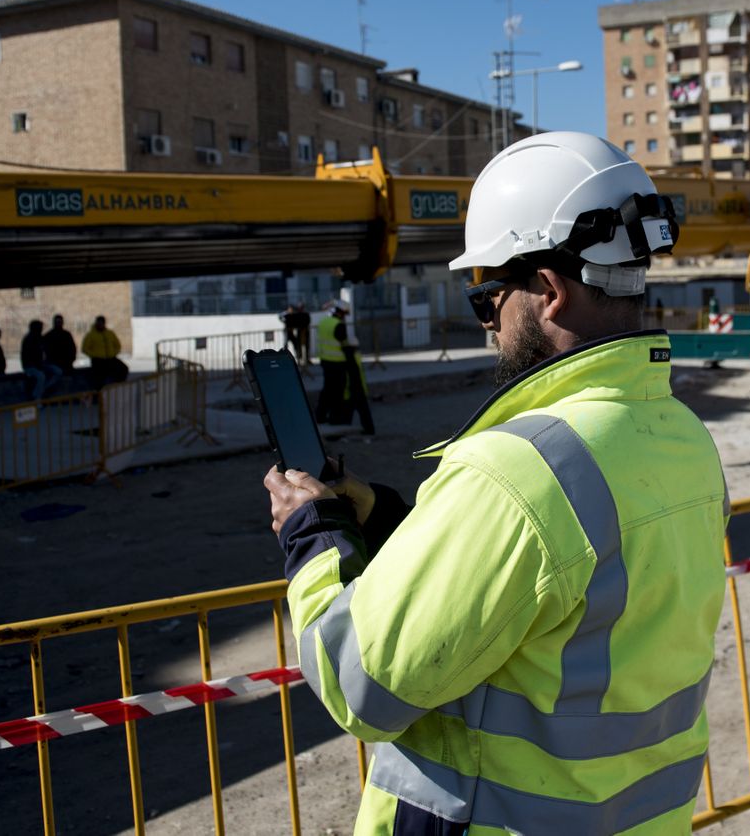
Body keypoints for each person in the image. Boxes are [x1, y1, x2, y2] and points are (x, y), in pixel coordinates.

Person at [264, 132, 726, 834]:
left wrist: (314, 535)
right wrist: (392, 524)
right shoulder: (682, 438)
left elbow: (361, 686)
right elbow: (568, 596)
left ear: (546, 291)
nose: (487, 326)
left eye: (487, 300)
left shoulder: (518, 469)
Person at [313, 299, 373, 435]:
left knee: (326, 390)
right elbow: (344, 344)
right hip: (338, 363)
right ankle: (335, 418)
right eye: (344, 314)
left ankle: (320, 416)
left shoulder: (323, 322)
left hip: (325, 361)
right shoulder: (338, 325)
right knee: (338, 392)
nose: (344, 317)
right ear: (339, 312)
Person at [20, 319, 63, 399]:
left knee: (58, 371)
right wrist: (37, 365)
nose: (41, 329)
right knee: (41, 376)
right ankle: (36, 397)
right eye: (39, 327)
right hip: (30, 366)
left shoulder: (41, 338)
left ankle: (43, 388)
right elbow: (28, 356)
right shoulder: (28, 339)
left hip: (41, 364)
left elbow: (46, 351)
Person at [81, 314, 128, 387]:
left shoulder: (110, 333)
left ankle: (117, 385)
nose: (100, 325)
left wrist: (114, 353)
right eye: (98, 323)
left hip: (110, 358)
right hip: (98, 360)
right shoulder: (91, 335)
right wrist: (94, 355)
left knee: (123, 368)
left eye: (101, 323)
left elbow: (117, 345)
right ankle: (98, 392)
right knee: (99, 377)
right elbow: (84, 348)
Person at [282, 303, 312, 368]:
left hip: (304, 332)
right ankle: (297, 359)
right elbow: (283, 318)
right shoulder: (288, 315)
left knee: (304, 346)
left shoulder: (304, 314)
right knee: (292, 346)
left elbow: (307, 321)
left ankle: (305, 359)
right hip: (291, 333)